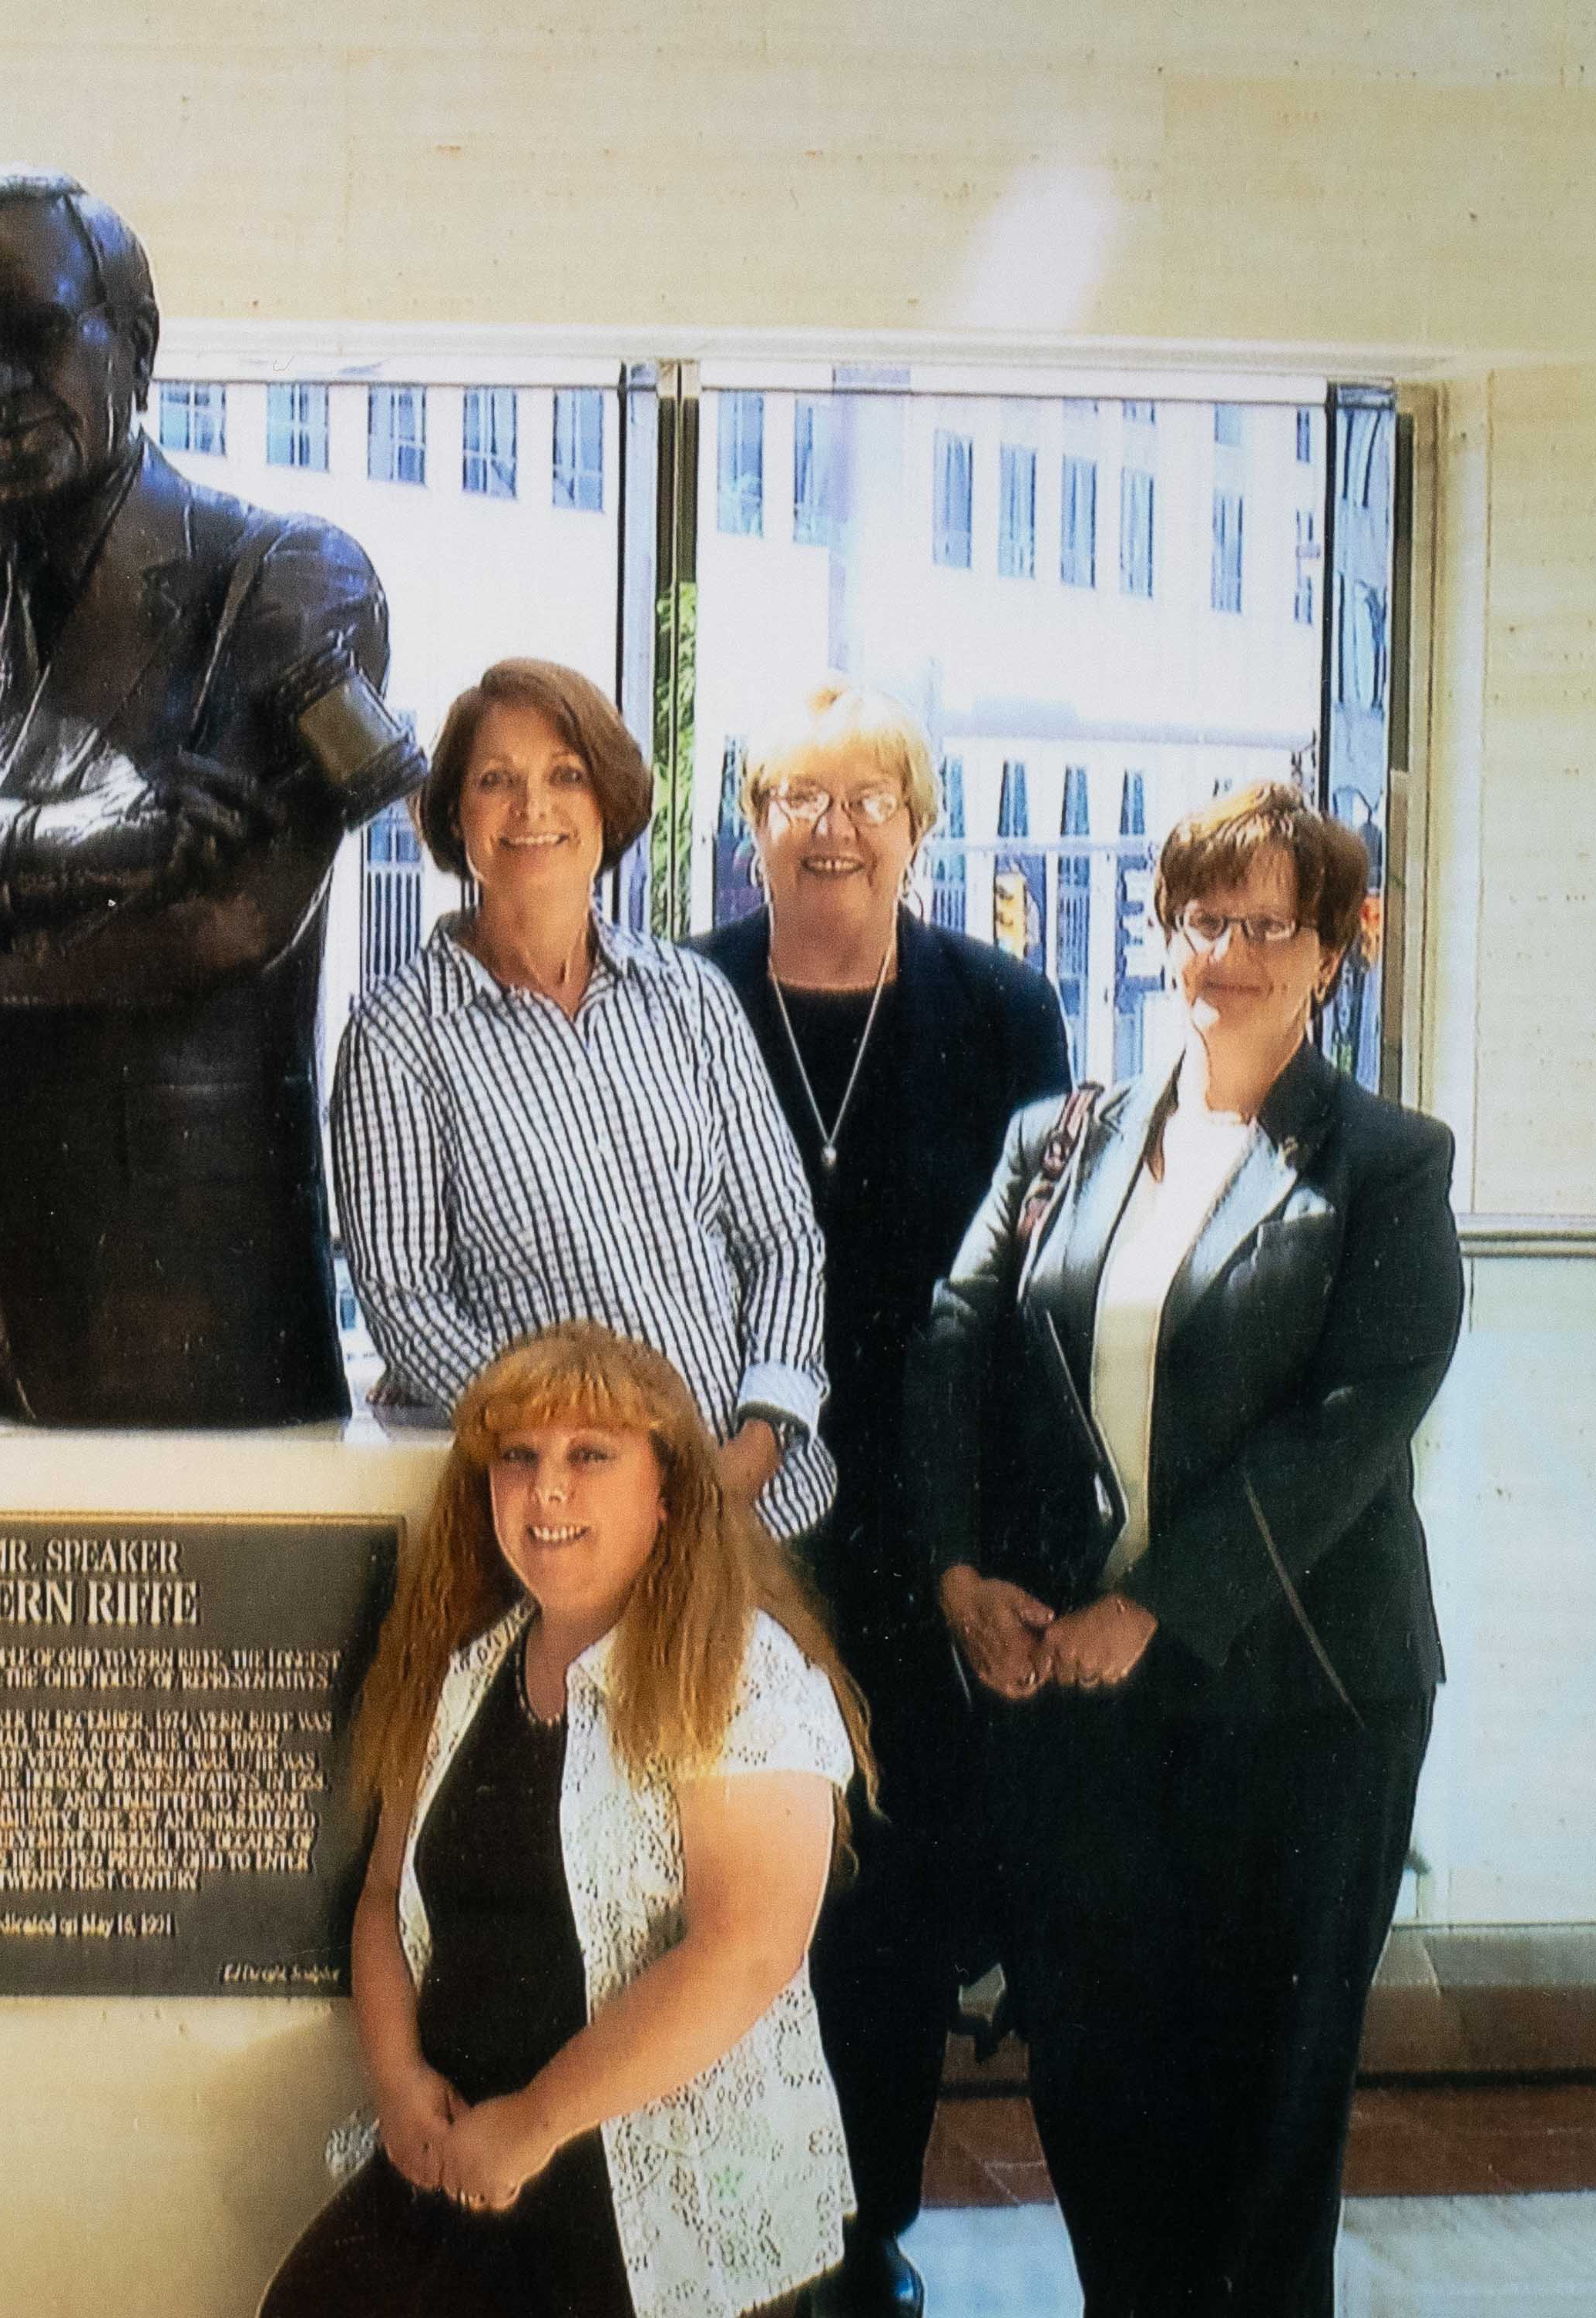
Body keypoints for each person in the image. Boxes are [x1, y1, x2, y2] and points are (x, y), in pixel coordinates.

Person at [0, 164, 406, 1427]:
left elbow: (216, 924)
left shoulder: (287, 581)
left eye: (35, 337)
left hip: (177, 1319)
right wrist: (74, 845)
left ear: (136, 343)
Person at [911, 780, 1465, 2318]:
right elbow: (955, 1343)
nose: (1228, 951)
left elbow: (1357, 1417)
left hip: (1306, 1705)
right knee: (1097, 2081)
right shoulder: (1060, 1135)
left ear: (1335, 948)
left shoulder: (1387, 1164)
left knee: (1269, 2113)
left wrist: (1160, 1601)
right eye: (1203, 919)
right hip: (1085, 1707)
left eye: (1268, 923)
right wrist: (956, 1566)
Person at [690, 679, 1069, 2316]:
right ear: (752, 819)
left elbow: (1033, 1291)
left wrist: (984, 1538)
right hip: (733, 1501)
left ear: (920, 825)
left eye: (871, 797)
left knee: (896, 1888)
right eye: (798, 793)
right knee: (719, 1858)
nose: (833, 825)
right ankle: (721, 2219)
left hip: (924, 1517)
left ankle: (861, 2231)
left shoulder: (1004, 1009)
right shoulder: (685, 996)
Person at [262, 1323, 871, 2318]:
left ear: (669, 1489)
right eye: (519, 1458)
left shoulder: (744, 1674)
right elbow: (380, 1900)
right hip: (457, 2159)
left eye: (591, 1456)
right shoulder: (464, 1669)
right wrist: (401, 2082)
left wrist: (536, 2125)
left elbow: (745, 1952)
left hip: (657, 2204)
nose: (547, 1490)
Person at [331, 657, 835, 1541]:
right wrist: (583, 1463)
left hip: (763, 1517)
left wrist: (755, 1445)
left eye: (566, 775)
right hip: (568, 1541)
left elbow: (784, 1239)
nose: (535, 808)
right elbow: (409, 1306)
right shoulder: (397, 1035)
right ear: (456, 815)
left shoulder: (691, 996)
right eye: (497, 781)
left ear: (608, 803)